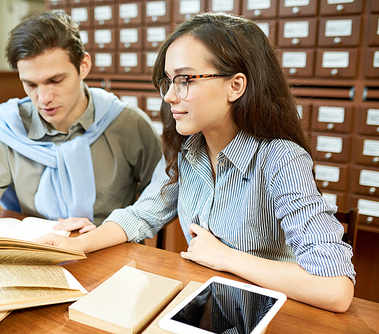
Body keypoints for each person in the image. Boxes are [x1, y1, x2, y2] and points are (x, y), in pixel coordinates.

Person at [37, 12, 356, 313]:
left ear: (236, 86)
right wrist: (75, 246)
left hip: (269, 312)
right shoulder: (188, 148)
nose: (169, 97)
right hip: (207, 302)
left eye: (185, 80)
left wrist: (225, 257)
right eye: (168, 81)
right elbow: (142, 214)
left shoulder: (281, 159)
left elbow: (334, 288)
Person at [0, 11, 161, 256]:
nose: (44, 99)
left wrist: (109, 230)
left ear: (84, 66)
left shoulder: (128, 125)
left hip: (111, 255)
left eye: (55, 80)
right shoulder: (10, 129)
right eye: (31, 85)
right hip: (32, 257)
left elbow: (165, 195)